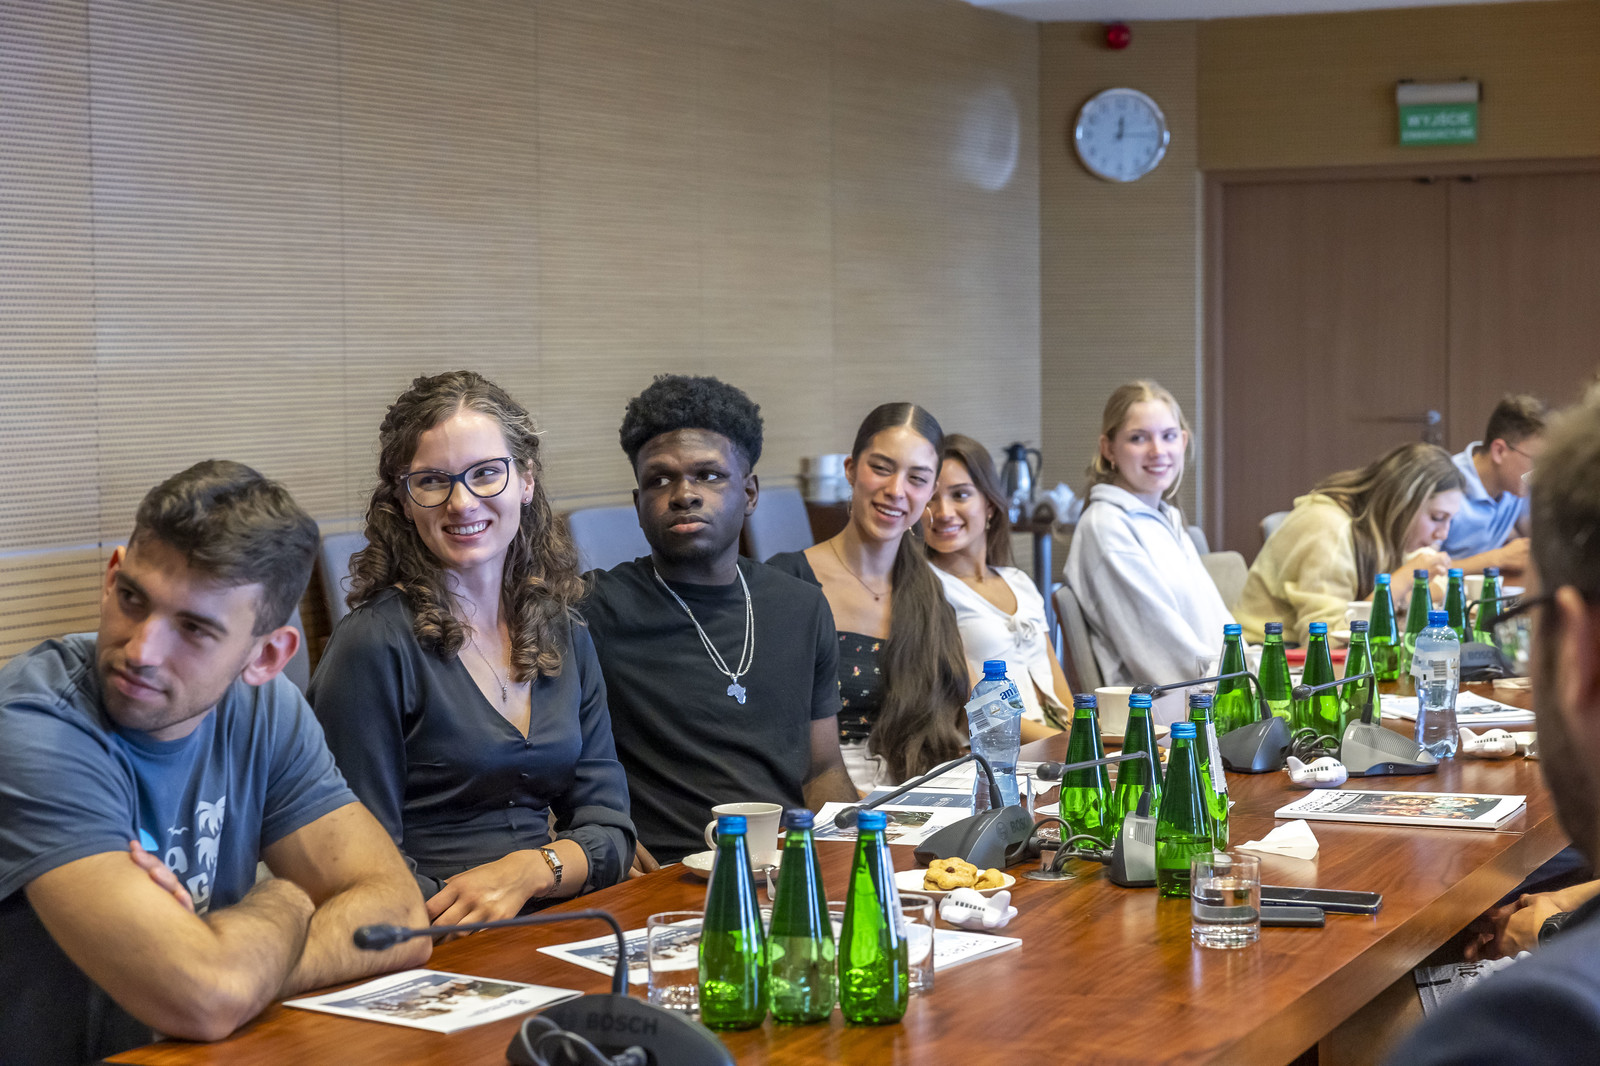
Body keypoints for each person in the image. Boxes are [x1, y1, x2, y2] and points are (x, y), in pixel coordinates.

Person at [0, 462, 429, 1065]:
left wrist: (240, 969)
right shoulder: (34, 724)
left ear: (266, 656)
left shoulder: (266, 709)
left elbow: (399, 915)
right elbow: (205, 997)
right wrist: (285, 901)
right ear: (113, 575)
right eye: (133, 599)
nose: (142, 651)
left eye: (194, 629)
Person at [309, 371, 634, 930]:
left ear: (525, 480)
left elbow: (611, 832)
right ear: (403, 501)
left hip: (554, 918)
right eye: (432, 481)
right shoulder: (372, 645)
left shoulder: (563, 630)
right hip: (429, 934)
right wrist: (466, 916)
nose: (461, 502)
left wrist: (533, 870)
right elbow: (355, 866)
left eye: (486, 473)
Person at [1384, 393, 1600, 1065]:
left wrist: (1560, 926)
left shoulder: (1525, 1034)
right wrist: (1568, 905)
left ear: (1578, 653)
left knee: (1373, 1015)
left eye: (1525, 620)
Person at [583, 375, 857, 867]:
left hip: (782, 867)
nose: (684, 494)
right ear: (638, 506)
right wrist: (598, 839)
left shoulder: (801, 606)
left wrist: (847, 858)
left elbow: (823, 768)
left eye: (708, 475)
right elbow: (548, 767)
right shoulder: (594, 609)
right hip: (662, 875)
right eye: (659, 480)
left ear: (749, 493)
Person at [768, 403, 968, 790]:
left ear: (930, 492)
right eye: (881, 468)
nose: (896, 490)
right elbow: (768, 731)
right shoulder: (787, 581)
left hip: (918, 798)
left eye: (917, 478)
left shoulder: (930, 592)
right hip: (815, 798)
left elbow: (954, 717)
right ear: (851, 469)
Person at [1062, 381, 1236, 708]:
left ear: (1183, 441)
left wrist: (1251, 668)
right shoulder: (1107, 527)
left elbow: (1219, 627)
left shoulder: (1165, 517)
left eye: (1168, 436)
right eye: (1138, 438)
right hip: (1164, 716)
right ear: (1108, 449)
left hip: (1208, 696)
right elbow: (1164, 656)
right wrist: (1239, 685)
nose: (1158, 451)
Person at [1235, 442, 1464, 645]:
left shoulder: (1381, 529)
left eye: (1449, 520)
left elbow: (1439, 582)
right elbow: (1327, 638)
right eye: (1437, 518)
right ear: (1402, 503)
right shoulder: (1327, 526)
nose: (1443, 534)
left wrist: (1404, 590)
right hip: (1269, 655)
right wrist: (1401, 582)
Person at [924, 433, 1068, 736]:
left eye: (960, 495)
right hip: (996, 750)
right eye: (929, 499)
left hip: (1054, 741)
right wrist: (1065, 746)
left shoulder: (1019, 581)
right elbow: (976, 711)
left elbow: (1060, 691)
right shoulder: (928, 587)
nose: (943, 513)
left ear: (989, 504)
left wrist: (1087, 738)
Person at [1443, 394, 1546, 575]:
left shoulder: (1514, 486)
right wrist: (1499, 558)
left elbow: (1537, 537)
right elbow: (1419, 570)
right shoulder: (1443, 484)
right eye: (1536, 461)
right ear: (1499, 451)